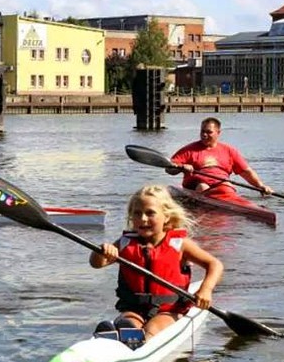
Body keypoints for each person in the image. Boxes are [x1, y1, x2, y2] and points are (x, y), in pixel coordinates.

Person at [90, 185, 223, 340]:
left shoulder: (180, 244)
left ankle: (142, 341)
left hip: (170, 311)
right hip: (135, 309)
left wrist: (206, 289)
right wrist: (101, 251)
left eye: (150, 213)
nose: (143, 219)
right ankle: (120, 336)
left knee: (153, 327)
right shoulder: (125, 243)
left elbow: (215, 265)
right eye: (137, 214)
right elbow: (96, 263)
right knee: (128, 322)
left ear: (166, 216)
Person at [166, 117, 273, 197]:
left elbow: (246, 172)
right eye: (202, 131)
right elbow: (169, 169)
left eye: (209, 132)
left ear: (218, 133)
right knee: (203, 187)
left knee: (227, 187)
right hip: (196, 185)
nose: (204, 135)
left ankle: (230, 205)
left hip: (220, 183)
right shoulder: (189, 150)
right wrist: (181, 167)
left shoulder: (229, 151)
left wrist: (260, 186)